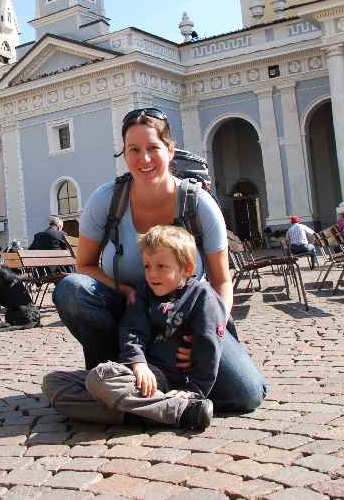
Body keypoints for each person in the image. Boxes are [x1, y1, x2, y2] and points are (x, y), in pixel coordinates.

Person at [52, 108, 265, 413]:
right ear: (124, 154)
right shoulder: (106, 201)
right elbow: (84, 265)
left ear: (170, 150)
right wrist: (122, 289)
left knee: (247, 394)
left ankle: (126, 392)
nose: (144, 159)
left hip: (186, 318)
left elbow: (221, 281)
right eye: (133, 150)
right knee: (71, 290)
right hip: (129, 315)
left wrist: (203, 333)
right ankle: (114, 368)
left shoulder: (198, 204)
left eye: (153, 148)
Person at [44, 225, 224, 429]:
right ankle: (174, 411)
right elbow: (132, 331)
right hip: (137, 373)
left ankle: (167, 406)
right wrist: (138, 364)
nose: (152, 274)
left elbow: (209, 347)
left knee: (100, 378)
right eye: (147, 266)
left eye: (161, 267)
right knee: (53, 383)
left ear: (187, 269)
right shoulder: (144, 293)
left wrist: (194, 390)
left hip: (165, 379)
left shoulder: (202, 296)